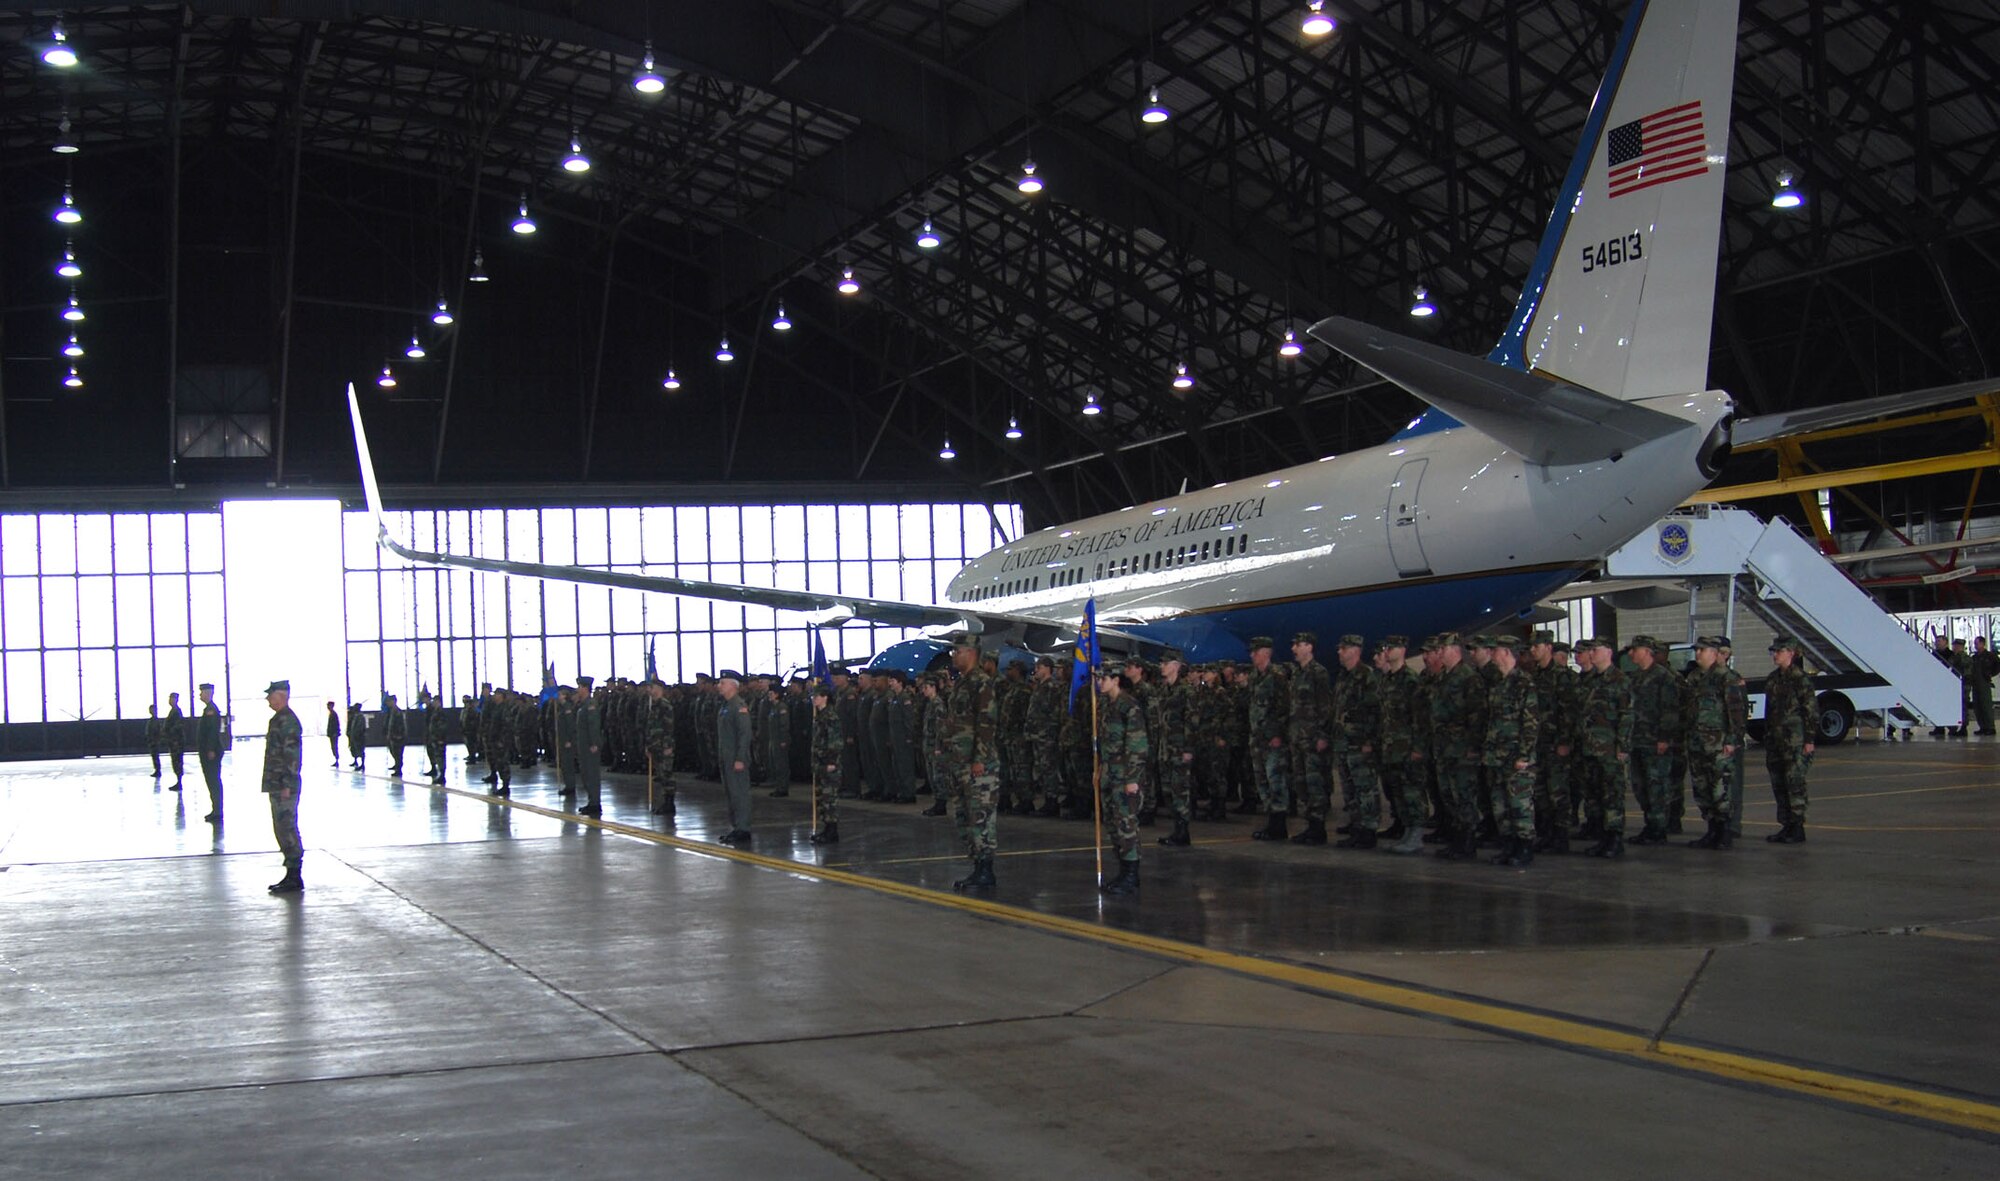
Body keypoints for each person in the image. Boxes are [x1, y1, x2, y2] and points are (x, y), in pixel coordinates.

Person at [944, 637, 1002, 891]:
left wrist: (979, 757)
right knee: (964, 817)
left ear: (970, 653)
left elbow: (987, 722)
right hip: (960, 762)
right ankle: (977, 866)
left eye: (957, 651)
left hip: (978, 765)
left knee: (980, 817)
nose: (953, 656)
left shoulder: (981, 683)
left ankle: (985, 870)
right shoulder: (962, 683)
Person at [1097, 663, 1148, 894]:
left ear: (1116, 680)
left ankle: (1131, 874)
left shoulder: (1129, 706)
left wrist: (1132, 779)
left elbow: (1137, 745)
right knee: (1113, 824)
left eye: (1104, 678)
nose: (1100, 682)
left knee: (1126, 824)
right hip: (1110, 774)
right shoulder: (1107, 706)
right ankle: (1122, 869)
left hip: (1125, 775)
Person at [1683, 636, 1736, 849]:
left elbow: (1735, 712)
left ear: (1714, 653)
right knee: (1702, 788)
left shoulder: (1725, 677)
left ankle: (1724, 832)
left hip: (1718, 743)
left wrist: (1732, 740)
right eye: (1697, 650)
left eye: (1702, 650)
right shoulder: (1694, 677)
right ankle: (1711, 830)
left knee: (1719, 788)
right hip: (1697, 742)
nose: (1698, 654)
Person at [1763, 635, 1816, 843]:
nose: (1775, 655)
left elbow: (1811, 711)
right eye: (1774, 651)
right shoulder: (1773, 679)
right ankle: (1786, 824)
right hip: (1776, 741)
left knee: (1794, 783)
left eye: (1779, 651)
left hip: (1795, 741)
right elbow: (1770, 711)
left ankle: (1797, 826)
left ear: (1791, 653)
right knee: (1779, 783)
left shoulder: (1800, 679)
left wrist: (1809, 740)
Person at [263, 679, 305, 894]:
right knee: (281, 827)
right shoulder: (278, 720)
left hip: (284, 786)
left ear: (282, 696)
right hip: (277, 783)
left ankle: (294, 874)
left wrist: (287, 784)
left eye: (271, 696)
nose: (268, 700)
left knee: (287, 826)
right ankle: (291, 873)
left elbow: (292, 756)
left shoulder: (287, 721)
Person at [716, 674, 755, 844]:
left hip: (735, 759)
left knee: (739, 793)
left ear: (733, 685)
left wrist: (740, 758)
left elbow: (745, 734)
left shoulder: (739, 706)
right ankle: (736, 827)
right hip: (726, 757)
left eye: (722, 683)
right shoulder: (726, 706)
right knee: (731, 793)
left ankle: (743, 828)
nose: (719, 686)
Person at [809, 684, 842, 844]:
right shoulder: (820, 716)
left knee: (830, 798)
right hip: (819, 762)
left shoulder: (830, 716)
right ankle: (826, 828)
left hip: (828, 763)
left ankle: (832, 831)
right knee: (822, 798)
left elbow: (835, 742)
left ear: (825, 698)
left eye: (817, 696)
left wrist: (831, 762)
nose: (814, 699)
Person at [196, 682, 226, 824]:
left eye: (202, 692)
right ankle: (216, 809)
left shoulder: (211, 710)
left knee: (213, 781)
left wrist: (211, 749)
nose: (200, 695)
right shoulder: (209, 709)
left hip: (211, 752)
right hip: (209, 751)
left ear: (208, 693)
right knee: (212, 781)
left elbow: (213, 732)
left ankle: (218, 811)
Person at [575, 676, 605, 817]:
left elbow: (593, 725)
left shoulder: (590, 704)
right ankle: (591, 801)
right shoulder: (583, 704)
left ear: (585, 688)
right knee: (586, 774)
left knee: (592, 774)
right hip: (583, 745)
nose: (577, 689)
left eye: (579, 687)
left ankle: (595, 803)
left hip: (589, 746)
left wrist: (594, 743)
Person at [164, 691, 187, 790]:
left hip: (176, 742)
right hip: (173, 741)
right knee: (175, 761)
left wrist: (174, 739)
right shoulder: (173, 711)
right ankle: (178, 781)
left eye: (172, 699)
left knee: (177, 761)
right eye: (170, 699)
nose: (170, 701)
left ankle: (179, 782)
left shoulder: (176, 711)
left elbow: (178, 726)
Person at [384, 693, 406, 776]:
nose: (388, 703)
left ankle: (398, 769)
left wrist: (399, 735)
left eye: (389, 701)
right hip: (392, 736)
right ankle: (397, 765)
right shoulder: (390, 711)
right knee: (394, 752)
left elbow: (400, 725)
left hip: (397, 736)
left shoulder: (397, 711)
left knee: (398, 753)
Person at [145, 704, 163, 779]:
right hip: (152, 741)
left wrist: (156, 740)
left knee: (155, 756)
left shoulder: (155, 720)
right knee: (154, 756)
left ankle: (158, 770)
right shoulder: (152, 720)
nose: (151, 711)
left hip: (154, 741)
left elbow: (157, 731)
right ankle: (156, 770)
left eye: (152, 709)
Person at [346, 702, 366, 768]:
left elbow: (360, 727)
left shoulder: (360, 716)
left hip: (359, 737)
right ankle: (356, 762)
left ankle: (362, 764)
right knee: (354, 749)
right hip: (354, 736)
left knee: (360, 750)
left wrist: (356, 734)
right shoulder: (355, 716)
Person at [324, 701, 342, 767]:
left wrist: (335, 732)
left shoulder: (333, 714)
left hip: (334, 734)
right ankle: (336, 760)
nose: (328, 707)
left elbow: (336, 724)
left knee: (334, 747)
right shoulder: (332, 713)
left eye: (329, 705)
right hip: (332, 734)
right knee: (333, 747)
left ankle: (337, 760)